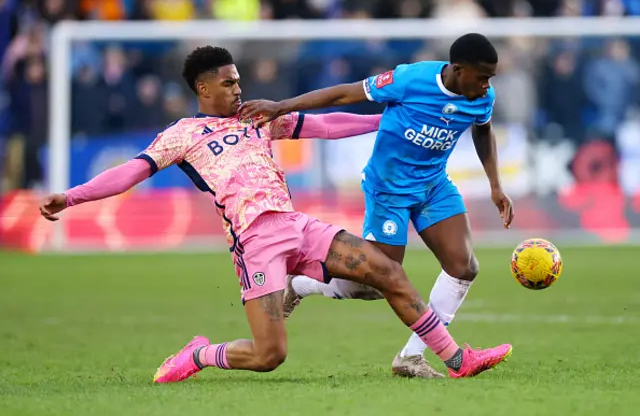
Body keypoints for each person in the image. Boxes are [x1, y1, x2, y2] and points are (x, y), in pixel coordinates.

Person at [39, 46, 512, 382]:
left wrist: (391, 118)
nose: (239, 88)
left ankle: (457, 360)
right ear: (203, 89)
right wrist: (72, 196)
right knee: (270, 355)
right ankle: (201, 354)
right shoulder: (181, 135)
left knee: (388, 271)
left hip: (297, 225)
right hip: (254, 242)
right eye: (229, 83)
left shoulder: (258, 118)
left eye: (240, 80)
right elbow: (130, 173)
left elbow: (326, 125)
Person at [239, 33, 515, 379]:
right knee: (374, 283)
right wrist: (282, 105)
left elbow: (483, 130)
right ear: (458, 70)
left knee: (464, 266)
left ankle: (411, 357)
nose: (488, 85)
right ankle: (301, 285)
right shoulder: (408, 80)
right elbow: (343, 93)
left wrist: (495, 185)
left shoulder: (481, 97)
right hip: (389, 191)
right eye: (483, 76)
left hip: (433, 186)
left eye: (491, 77)